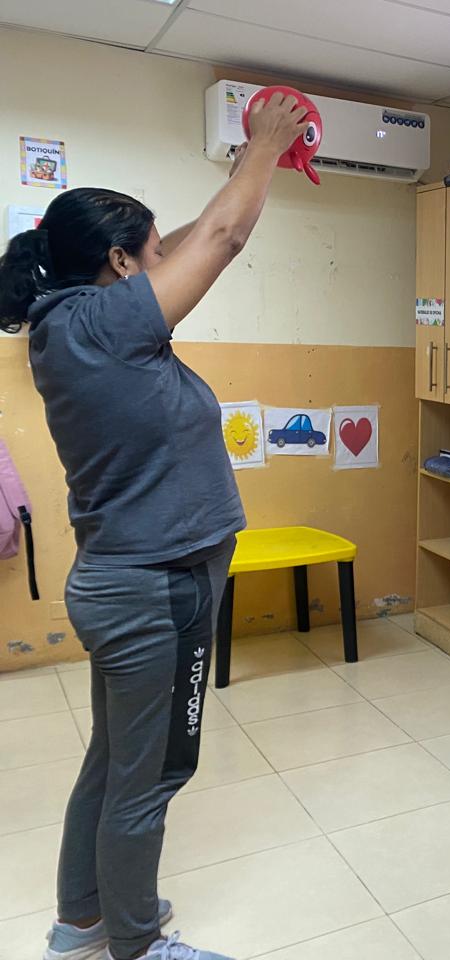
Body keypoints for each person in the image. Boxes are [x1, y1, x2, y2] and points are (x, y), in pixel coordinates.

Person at [0, 93, 309, 960]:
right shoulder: (101, 326)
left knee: (113, 762)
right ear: (118, 262)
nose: (166, 260)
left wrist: (242, 169)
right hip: (158, 590)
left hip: (129, 582)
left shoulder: (72, 326)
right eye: (152, 251)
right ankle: (137, 944)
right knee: (153, 772)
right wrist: (267, 145)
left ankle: (81, 923)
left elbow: (198, 238)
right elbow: (223, 237)